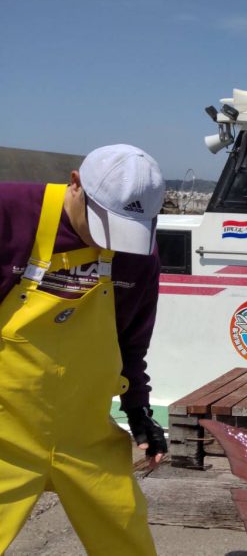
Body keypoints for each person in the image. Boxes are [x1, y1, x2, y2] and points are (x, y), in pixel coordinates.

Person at [0, 144, 169, 555]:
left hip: (87, 436)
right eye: (102, 223)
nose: (107, 241)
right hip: (3, 431)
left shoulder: (138, 253)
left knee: (128, 542)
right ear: (75, 184)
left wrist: (138, 410)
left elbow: (131, 340)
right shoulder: (10, 212)